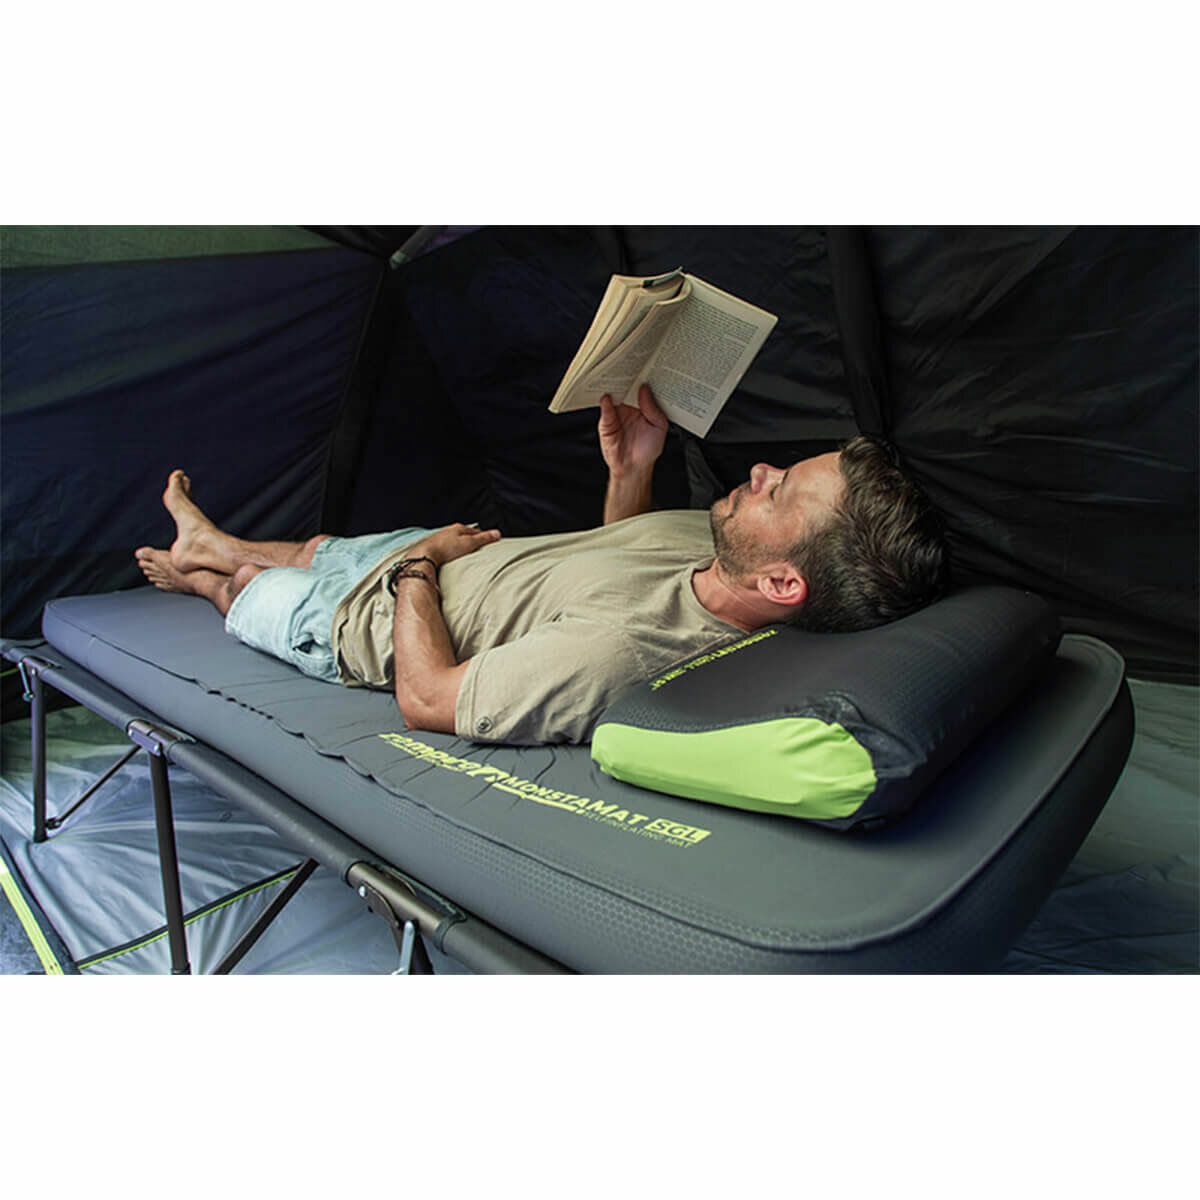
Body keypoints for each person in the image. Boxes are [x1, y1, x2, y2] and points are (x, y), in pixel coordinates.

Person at [135, 386, 947, 744]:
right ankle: (213, 542)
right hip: (448, 558)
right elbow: (616, 559)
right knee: (321, 548)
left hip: (371, 620)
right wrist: (630, 470)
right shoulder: (722, 549)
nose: (763, 470)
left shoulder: (624, 656)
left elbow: (428, 699)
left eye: (783, 490)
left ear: (783, 584)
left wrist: (418, 568)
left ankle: (201, 574)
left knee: (249, 589)